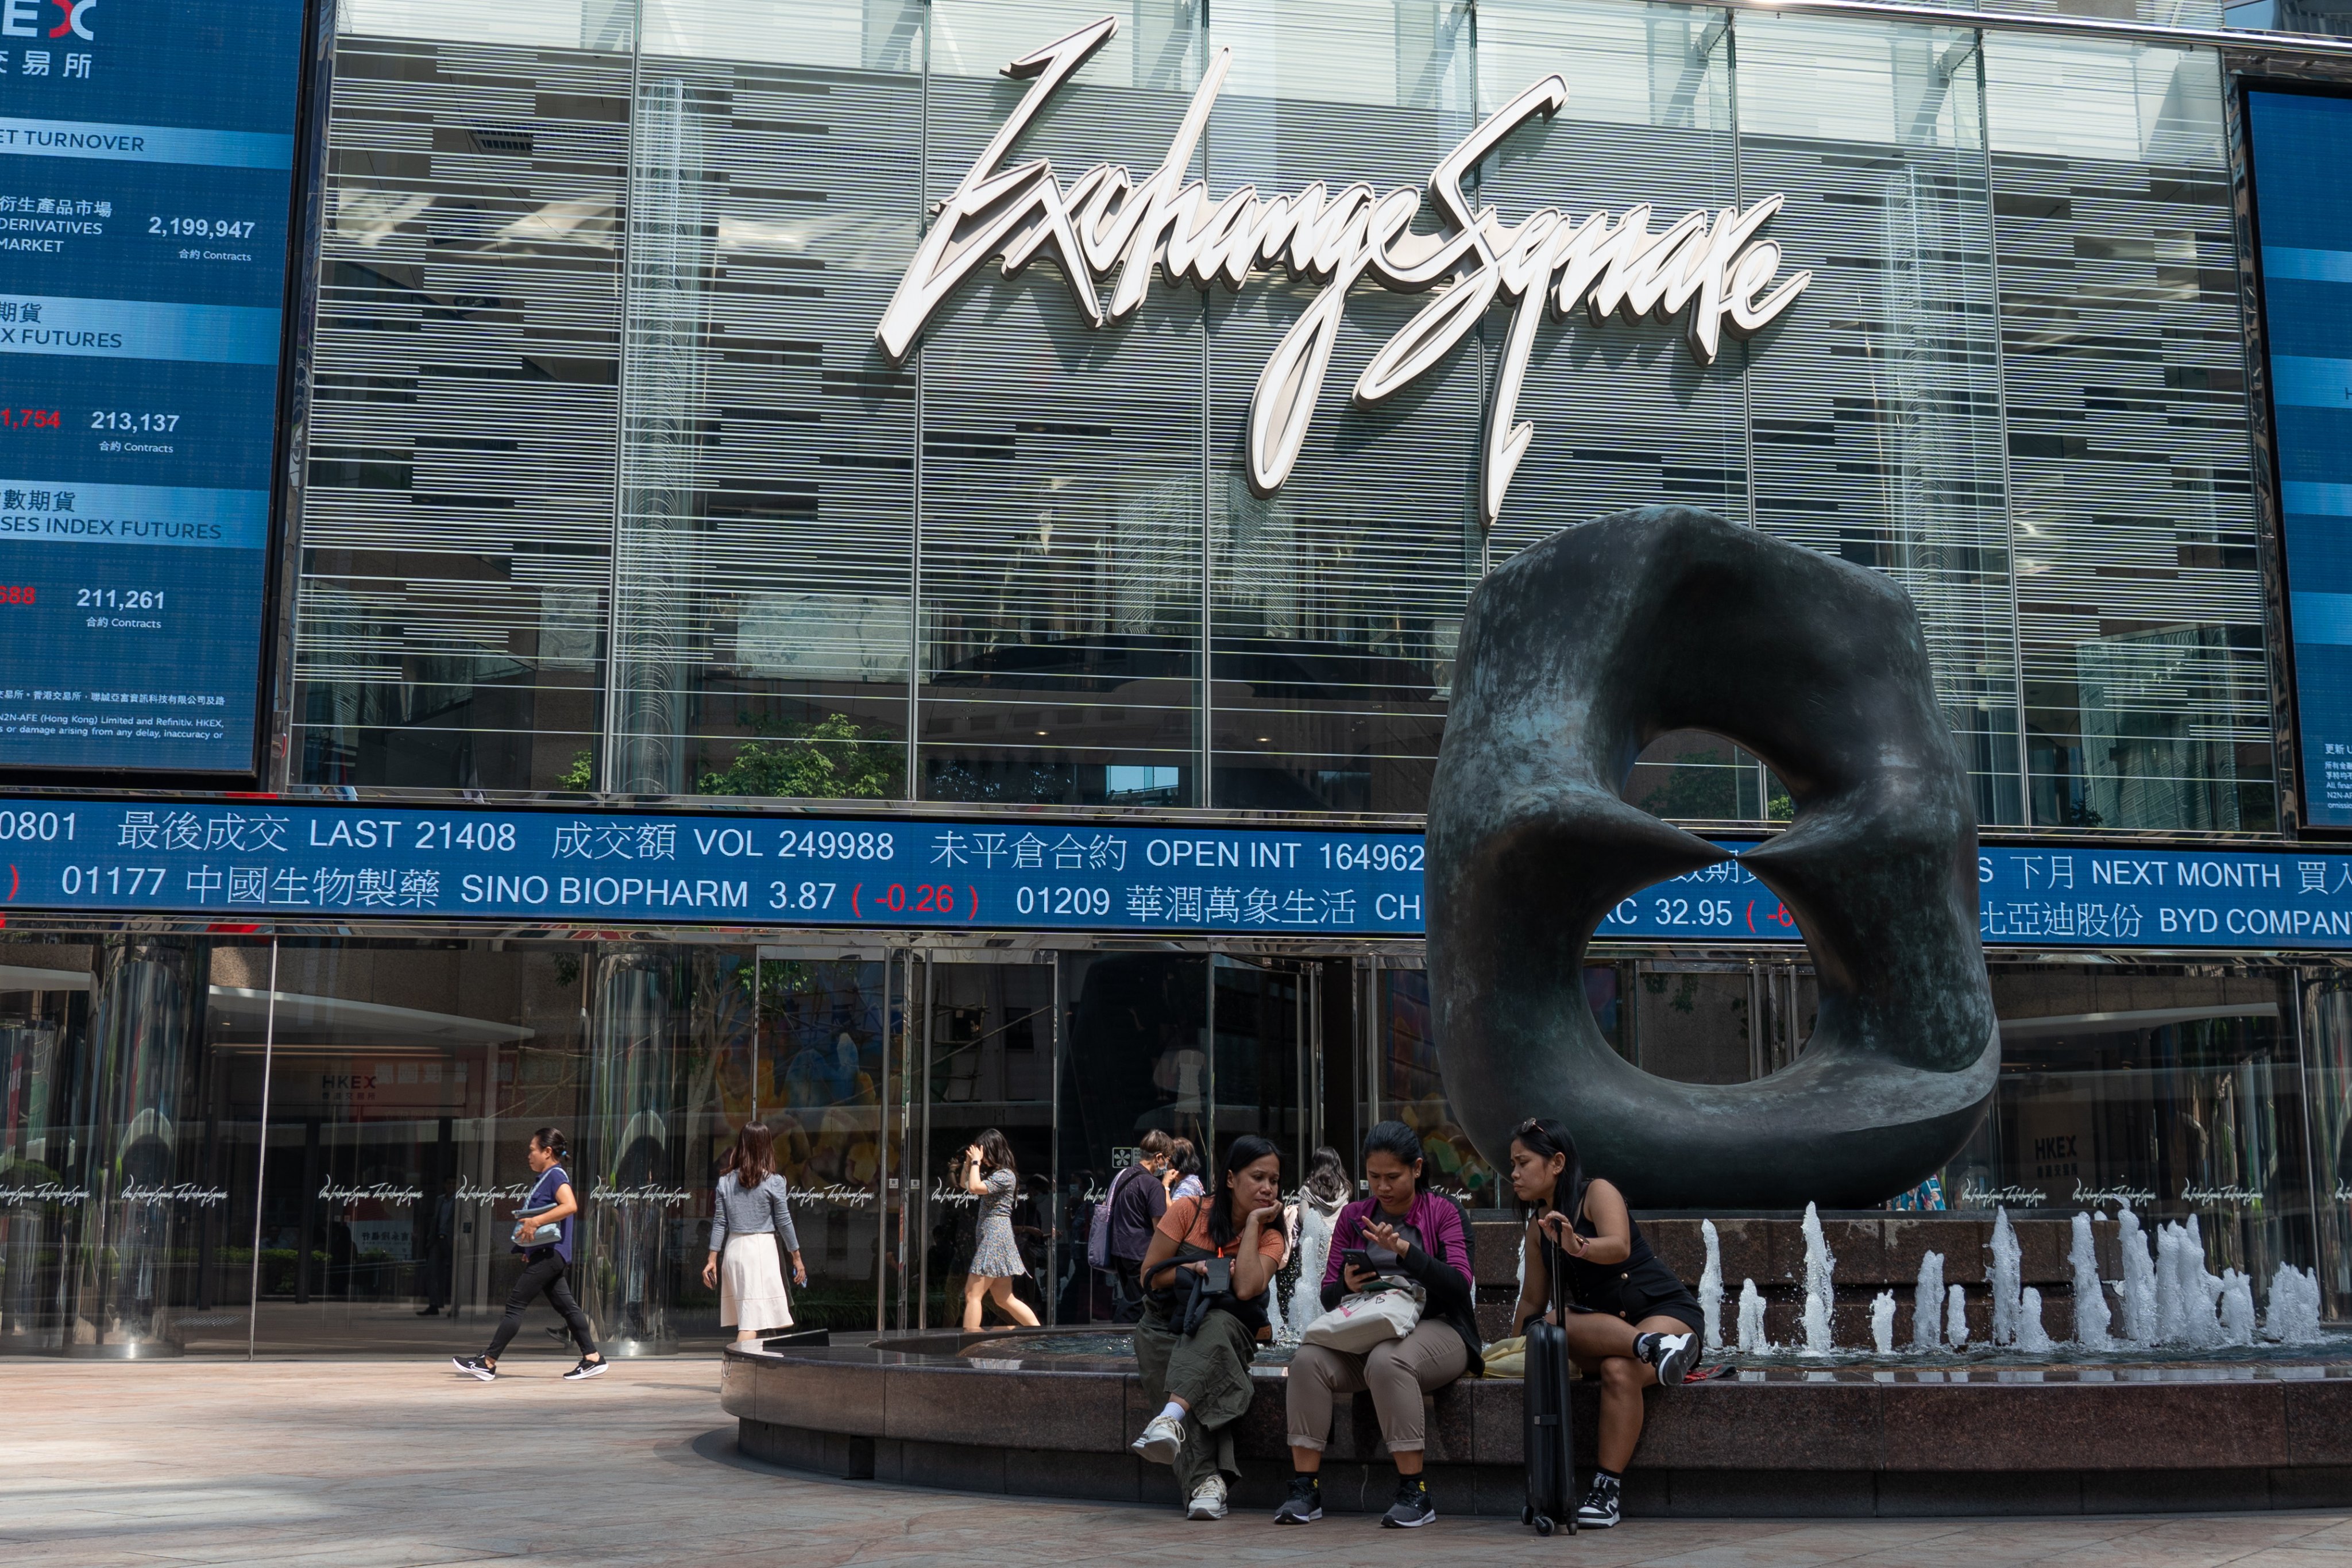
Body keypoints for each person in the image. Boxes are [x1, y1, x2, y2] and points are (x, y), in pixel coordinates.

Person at [1278, 1122, 1480, 1529]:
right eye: (1373, 1177)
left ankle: (1414, 1491)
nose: (1382, 1187)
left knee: (1388, 1362)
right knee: (1307, 1361)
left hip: (1439, 1328)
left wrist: (1405, 1252)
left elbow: (1459, 1285)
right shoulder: (1354, 1215)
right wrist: (1346, 1286)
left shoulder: (1444, 1211)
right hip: (1368, 1329)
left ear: (1417, 1169)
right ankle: (1305, 1487)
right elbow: (1328, 1294)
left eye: (1393, 1177)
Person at [1508, 1116, 1701, 1529]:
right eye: (1513, 1164)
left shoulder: (1596, 1192)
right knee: (1550, 1321)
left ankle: (1605, 1490)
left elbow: (1618, 1247)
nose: (1514, 1173)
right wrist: (1506, 1354)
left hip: (1666, 1312)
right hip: (1609, 1331)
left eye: (1523, 1162)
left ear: (1556, 1162)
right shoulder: (1536, 1229)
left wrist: (1576, 1244)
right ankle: (1652, 1349)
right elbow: (1531, 1300)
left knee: (1617, 1369)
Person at [1130, 1135, 1286, 1521]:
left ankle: (1169, 1418)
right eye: (1257, 1177)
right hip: (1164, 1323)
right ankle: (1208, 1485)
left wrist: (1251, 1225)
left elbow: (1249, 1287)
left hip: (1230, 1326)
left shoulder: (1271, 1235)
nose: (1268, 1188)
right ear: (1231, 1179)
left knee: (1212, 1327)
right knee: (1190, 1367)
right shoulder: (1187, 1211)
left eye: (1275, 1180)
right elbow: (1147, 1275)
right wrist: (1193, 1268)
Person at [451, 1127, 605, 1382]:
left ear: (547, 1151)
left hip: (550, 1254)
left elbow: (571, 1206)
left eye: (532, 1150)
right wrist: (529, 1248)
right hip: (546, 1253)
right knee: (567, 1307)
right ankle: (593, 1358)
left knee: (515, 1305)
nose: (528, 1155)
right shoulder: (547, 1177)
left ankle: (487, 1363)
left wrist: (535, 1222)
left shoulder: (556, 1175)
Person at [701, 1121, 808, 1349]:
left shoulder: (725, 1181)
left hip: (734, 1249)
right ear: (767, 1147)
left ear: (741, 1146)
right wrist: (796, 1257)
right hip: (760, 1251)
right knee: (751, 1323)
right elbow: (784, 1222)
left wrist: (712, 1259)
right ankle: (733, 1370)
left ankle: (755, 1375)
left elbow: (720, 1222)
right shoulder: (774, 1182)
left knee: (757, 1318)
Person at [960, 1129, 1041, 1332]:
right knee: (1004, 1298)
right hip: (994, 1236)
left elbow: (975, 1188)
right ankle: (1038, 1332)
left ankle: (969, 1343)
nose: (981, 1155)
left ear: (993, 1150)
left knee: (973, 1294)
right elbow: (966, 1184)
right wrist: (968, 1163)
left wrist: (976, 1163)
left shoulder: (1006, 1175)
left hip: (995, 1237)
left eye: (983, 1151)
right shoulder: (996, 1174)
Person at [1104, 1130, 1173, 1323]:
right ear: (1159, 1157)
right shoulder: (1153, 1185)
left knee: (1132, 1299)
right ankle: (1115, 1343)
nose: (1166, 1165)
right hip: (1140, 1253)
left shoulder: (1123, 1175)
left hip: (1119, 1251)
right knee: (1136, 1305)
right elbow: (1160, 1227)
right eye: (1166, 1159)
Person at [1283, 1146, 1350, 1335]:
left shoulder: (1308, 1189)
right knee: (1334, 1283)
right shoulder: (1344, 1190)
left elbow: (1304, 1219)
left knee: (1312, 1286)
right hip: (1337, 1243)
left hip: (1316, 1246)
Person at [416, 1175, 456, 1317]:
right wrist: (430, 1239)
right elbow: (435, 1220)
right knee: (432, 1272)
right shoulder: (440, 1200)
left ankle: (456, 1307)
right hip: (438, 1239)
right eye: (449, 1183)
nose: (451, 1186)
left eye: (454, 1183)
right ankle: (434, 1304)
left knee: (454, 1275)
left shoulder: (461, 1200)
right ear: (445, 1185)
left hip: (452, 1241)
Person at [1167, 1137, 1204, 1203]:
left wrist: (1165, 1185)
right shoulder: (1180, 1182)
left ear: (1176, 1162)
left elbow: (1174, 1210)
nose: (1165, 1163)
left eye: (1169, 1160)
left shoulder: (1188, 1185)